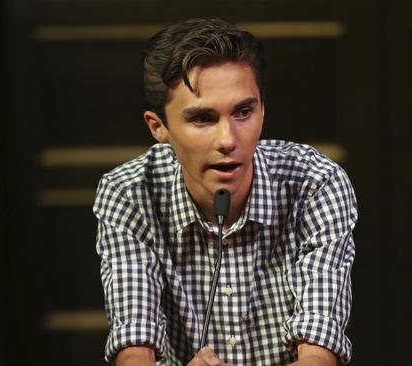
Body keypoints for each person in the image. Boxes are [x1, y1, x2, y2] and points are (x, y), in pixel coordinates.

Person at [93, 18, 357, 366]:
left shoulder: (315, 183)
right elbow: (133, 348)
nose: (228, 140)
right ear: (158, 127)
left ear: (263, 110)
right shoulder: (128, 194)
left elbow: (320, 355)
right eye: (203, 118)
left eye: (243, 112)